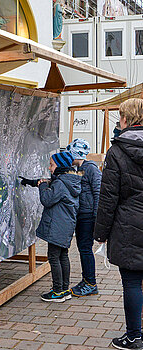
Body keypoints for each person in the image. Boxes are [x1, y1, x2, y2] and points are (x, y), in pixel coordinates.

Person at [94, 98, 143, 349]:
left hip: (128, 227)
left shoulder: (116, 151)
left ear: (126, 119)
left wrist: (100, 234)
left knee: (133, 282)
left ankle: (134, 336)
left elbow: (108, 197)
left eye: (120, 117)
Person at [20, 151, 81, 302]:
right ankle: (65, 290)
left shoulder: (60, 182)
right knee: (63, 256)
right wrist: (32, 182)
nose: (49, 168)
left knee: (54, 257)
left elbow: (47, 199)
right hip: (65, 225)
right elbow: (48, 183)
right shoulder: (70, 179)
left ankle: (57, 291)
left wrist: (42, 187)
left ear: (60, 166)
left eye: (52, 165)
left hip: (57, 226)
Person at [65, 138, 101, 297]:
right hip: (81, 215)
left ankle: (91, 283)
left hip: (88, 217)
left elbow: (99, 192)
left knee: (86, 249)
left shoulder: (91, 168)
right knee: (82, 248)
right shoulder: (77, 168)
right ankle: (86, 280)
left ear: (76, 153)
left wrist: (96, 217)